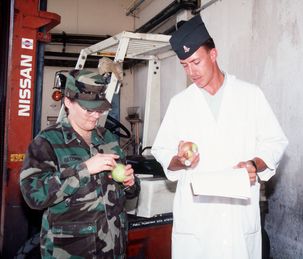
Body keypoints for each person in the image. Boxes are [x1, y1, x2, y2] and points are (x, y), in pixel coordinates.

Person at [151, 15, 288, 259]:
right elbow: (162, 153)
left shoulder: (250, 96)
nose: (191, 72)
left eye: (196, 62)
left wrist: (254, 164)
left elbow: (275, 143)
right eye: (185, 65)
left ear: (213, 54)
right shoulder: (180, 104)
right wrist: (179, 160)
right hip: (196, 221)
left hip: (237, 218)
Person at [19, 69, 140, 258]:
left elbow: (127, 190)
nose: (95, 115)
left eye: (99, 109)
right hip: (73, 251)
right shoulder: (47, 142)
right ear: (68, 102)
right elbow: (34, 196)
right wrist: (84, 170)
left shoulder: (107, 138)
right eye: (88, 109)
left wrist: (130, 183)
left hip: (113, 248)